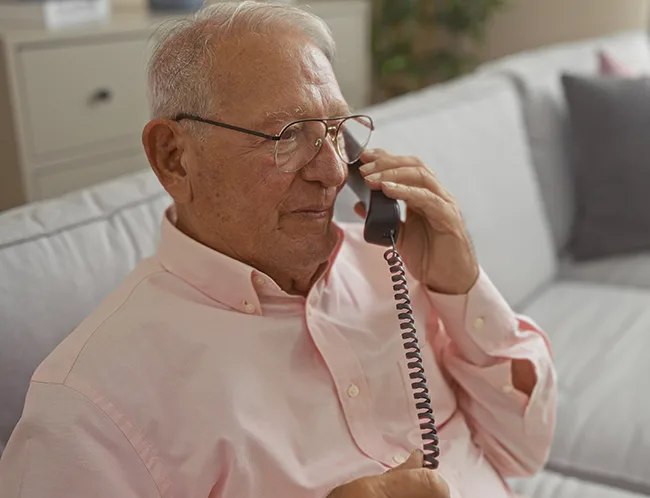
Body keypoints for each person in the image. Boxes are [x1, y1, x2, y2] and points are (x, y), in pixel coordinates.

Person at [0, 2, 556, 497]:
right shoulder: (90, 408)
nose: (334, 171)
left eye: (336, 130)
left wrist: (460, 288)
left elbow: (524, 451)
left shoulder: (397, 265)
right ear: (173, 157)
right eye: (289, 135)